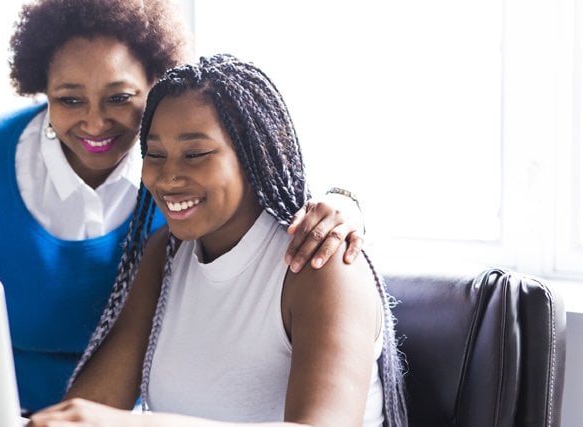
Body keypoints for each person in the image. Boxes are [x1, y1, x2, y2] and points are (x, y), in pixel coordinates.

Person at [0, 0, 367, 413]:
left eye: (119, 97)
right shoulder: (163, 249)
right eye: (69, 99)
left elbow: (279, 176)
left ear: (155, 84)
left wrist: (347, 201)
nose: (95, 123)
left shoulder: (314, 260)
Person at [29, 54, 407, 426]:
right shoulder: (165, 254)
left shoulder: (320, 265)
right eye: (156, 154)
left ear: (254, 156)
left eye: (195, 154)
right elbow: (90, 406)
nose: (168, 177)